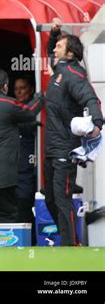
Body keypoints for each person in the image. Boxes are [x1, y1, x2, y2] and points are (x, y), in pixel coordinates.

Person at [44, 19, 103, 246]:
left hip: (65, 148)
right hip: (51, 147)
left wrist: (97, 122)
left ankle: (71, 246)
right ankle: (68, 240)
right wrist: (55, 33)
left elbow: (91, 97)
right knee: (50, 199)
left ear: (69, 53)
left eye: (60, 46)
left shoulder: (74, 75)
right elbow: (51, 52)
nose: (55, 49)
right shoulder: (60, 69)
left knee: (62, 199)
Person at [0, 69, 43, 224]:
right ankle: (5, 246)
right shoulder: (8, 104)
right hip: (3, 175)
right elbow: (30, 112)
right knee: (7, 213)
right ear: (5, 87)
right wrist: (40, 97)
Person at [14, 77, 38, 227]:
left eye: (22, 88)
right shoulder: (11, 108)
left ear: (30, 89)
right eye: (16, 88)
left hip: (30, 167)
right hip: (13, 168)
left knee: (26, 205)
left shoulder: (34, 110)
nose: (19, 91)